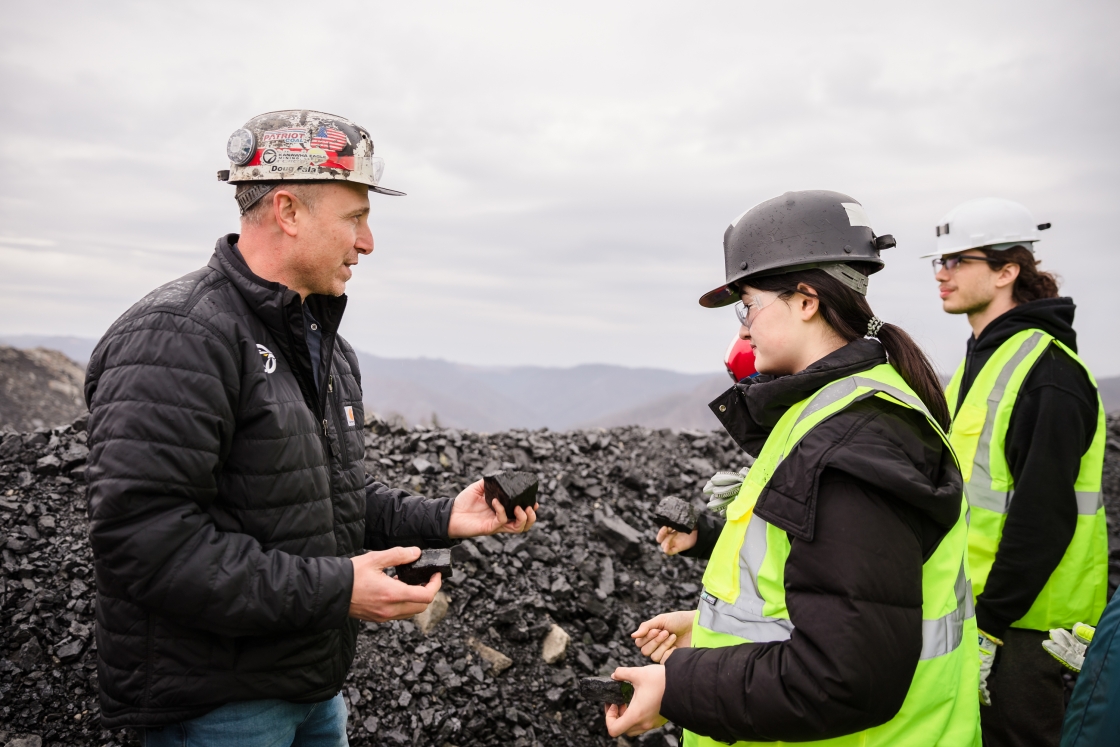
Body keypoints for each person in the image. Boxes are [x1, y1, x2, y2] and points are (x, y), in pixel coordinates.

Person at [83, 110, 536, 746]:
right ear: (289, 211)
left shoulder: (321, 343)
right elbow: (146, 544)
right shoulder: (178, 336)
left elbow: (324, 499)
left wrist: (442, 518)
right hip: (221, 707)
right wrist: (339, 588)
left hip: (311, 690)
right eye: (356, 217)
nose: (369, 242)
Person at [605, 190, 980, 745]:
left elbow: (846, 680)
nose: (744, 328)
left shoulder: (851, 441)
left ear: (806, 300)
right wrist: (711, 636)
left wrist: (678, 686)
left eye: (748, 305)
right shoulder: (831, 413)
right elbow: (816, 597)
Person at [926, 198, 1107, 746]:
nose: (942, 273)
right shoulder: (977, 363)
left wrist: (989, 627)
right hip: (979, 614)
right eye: (938, 260)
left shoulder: (1049, 372)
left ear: (1007, 271)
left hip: (1029, 631)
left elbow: (1042, 516)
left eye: (959, 260)